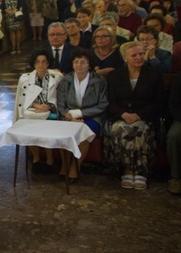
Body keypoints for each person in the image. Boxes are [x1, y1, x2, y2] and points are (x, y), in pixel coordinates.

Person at [106, 42, 165, 191]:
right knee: (120, 130)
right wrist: (123, 114)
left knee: (138, 131)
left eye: (140, 54)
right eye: (134, 55)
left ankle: (140, 172)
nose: (139, 57)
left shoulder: (154, 75)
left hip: (145, 116)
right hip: (122, 116)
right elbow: (111, 102)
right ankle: (127, 170)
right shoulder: (115, 76)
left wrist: (138, 115)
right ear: (125, 58)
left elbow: (159, 102)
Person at [56, 49, 108, 180]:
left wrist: (80, 113)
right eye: (76, 62)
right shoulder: (65, 80)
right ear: (72, 64)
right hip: (69, 117)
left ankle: (75, 167)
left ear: (89, 65)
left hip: (92, 117)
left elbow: (103, 105)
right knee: (65, 134)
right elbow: (61, 105)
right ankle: (65, 165)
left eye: (83, 62)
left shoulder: (99, 80)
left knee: (84, 134)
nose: (79, 65)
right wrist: (70, 117)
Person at [14, 51, 63, 167]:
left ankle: (49, 159)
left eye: (44, 62)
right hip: (32, 111)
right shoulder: (25, 78)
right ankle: (36, 157)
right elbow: (21, 100)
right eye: (37, 62)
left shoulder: (57, 77)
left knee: (47, 130)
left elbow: (61, 97)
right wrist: (36, 106)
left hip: (50, 111)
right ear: (34, 63)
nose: (40, 64)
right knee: (30, 128)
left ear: (48, 63)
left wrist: (48, 106)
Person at [167, 74, 181, 195]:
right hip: (180, 119)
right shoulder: (179, 78)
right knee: (174, 135)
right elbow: (174, 104)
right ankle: (175, 177)